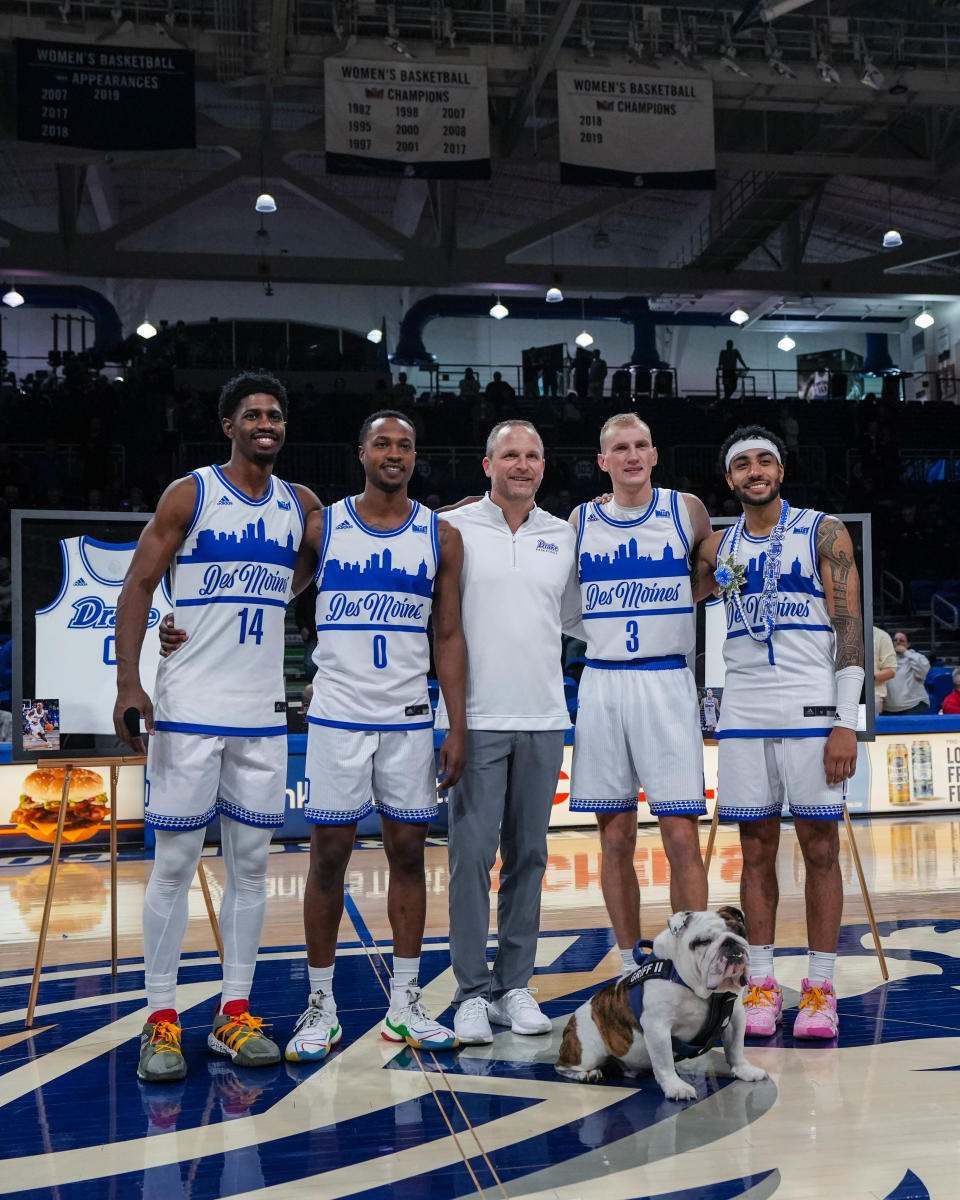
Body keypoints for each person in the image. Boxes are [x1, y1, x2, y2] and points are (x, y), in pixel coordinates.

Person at [113, 372, 323, 1084]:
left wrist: (225, 611)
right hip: (190, 708)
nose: (266, 423)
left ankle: (235, 1012)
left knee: (254, 869)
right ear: (228, 425)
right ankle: (162, 1019)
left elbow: (301, 574)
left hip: (263, 714)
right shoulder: (191, 493)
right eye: (253, 414)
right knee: (174, 865)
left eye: (275, 415)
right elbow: (140, 582)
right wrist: (130, 679)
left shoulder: (302, 505)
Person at [285, 410, 468, 1061]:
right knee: (327, 858)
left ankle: (406, 1003)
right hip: (336, 715)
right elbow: (268, 586)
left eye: (405, 445)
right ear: (361, 451)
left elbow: (448, 634)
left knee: (410, 858)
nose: (394, 453)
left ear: (416, 456)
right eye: (382, 443)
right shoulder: (322, 525)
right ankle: (320, 1004)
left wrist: (457, 722)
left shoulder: (439, 536)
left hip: (409, 720)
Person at [696, 424, 865, 1041]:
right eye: (743, 464)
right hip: (742, 713)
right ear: (730, 478)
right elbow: (676, 592)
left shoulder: (822, 530)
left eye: (765, 461)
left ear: (781, 472)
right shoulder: (718, 547)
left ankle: (821, 989)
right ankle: (761, 982)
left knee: (820, 848)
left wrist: (845, 720)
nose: (755, 471)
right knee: (756, 849)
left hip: (813, 709)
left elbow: (849, 625)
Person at [437, 420, 581, 1046]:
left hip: (544, 717)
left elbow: (582, 617)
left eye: (532, 456)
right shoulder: (454, 528)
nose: (521, 465)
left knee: (530, 857)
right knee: (471, 857)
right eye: (509, 455)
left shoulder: (564, 536)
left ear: (543, 467)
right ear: (487, 463)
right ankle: (470, 992)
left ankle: (514, 986)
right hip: (475, 718)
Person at [567, 414, 712, 980]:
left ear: (655, 455)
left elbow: (709, 576)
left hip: (667, 679)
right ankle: (630, 960)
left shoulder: (687, 509)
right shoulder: (582, 518)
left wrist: (667, 609)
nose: (631, 455)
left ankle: (692, 960)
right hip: (603, 680)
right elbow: (569, 600)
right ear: (602, 462)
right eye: (619, 448)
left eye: (641, 446)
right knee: (616, 834)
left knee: (680, 831)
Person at [884, 631, 931, 715]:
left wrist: (906, 652)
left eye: (901, 640)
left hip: (914, 705)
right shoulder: (885, 658)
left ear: (908, 644)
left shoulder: (915, 656)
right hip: (890, 707)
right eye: (895, 640)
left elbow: (924, 670)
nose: (898, 642)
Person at [873, 626, 897, 714]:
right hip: (839, 696)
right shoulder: (837, 632)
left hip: (872, 696)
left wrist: (865, 679)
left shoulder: (881, 635)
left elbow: (890, 672)